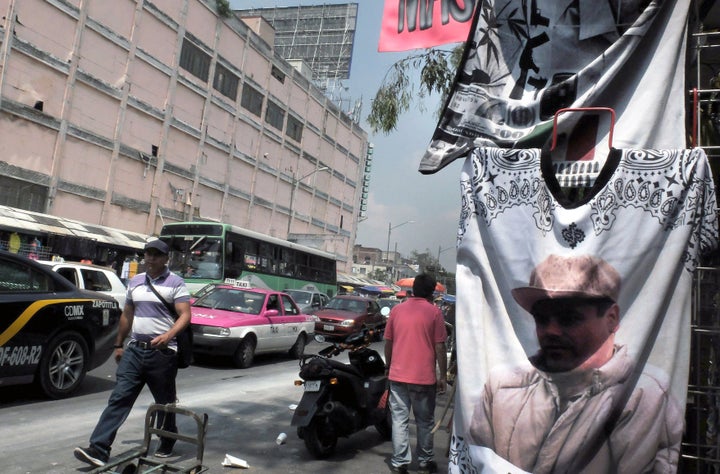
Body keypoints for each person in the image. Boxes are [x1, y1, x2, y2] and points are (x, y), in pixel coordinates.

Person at [468, 254, 684, 473]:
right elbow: (476, 461)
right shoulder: (502, 387)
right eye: (542, 319)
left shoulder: (645, 398)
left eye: (569, 318)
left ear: (612, 319)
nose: (551, 331)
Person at [74, 239, 191, 467]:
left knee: (164, 403)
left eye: (156, 254)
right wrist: (118, 345)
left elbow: (185, 315)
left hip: (163, 353)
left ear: (166, 258)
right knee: (119, 398)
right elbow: (127, 314)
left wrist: (168, 336)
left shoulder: (176, 283)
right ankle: (98, 449)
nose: (151, 258)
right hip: (135, 350)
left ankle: (167, 438)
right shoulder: (136, 282)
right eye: (148, 254)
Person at [384, 273, 447, 474]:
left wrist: (388, 366)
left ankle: (400, 462)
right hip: (423, 378)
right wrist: (443, 376)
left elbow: (388, 342)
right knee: (424, 421)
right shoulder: (435, 313)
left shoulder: (397, 310)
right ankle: (425, 460)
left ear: (412, 290)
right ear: (431, 292)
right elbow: (440, 347)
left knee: (399, 420)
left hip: (398, 376)